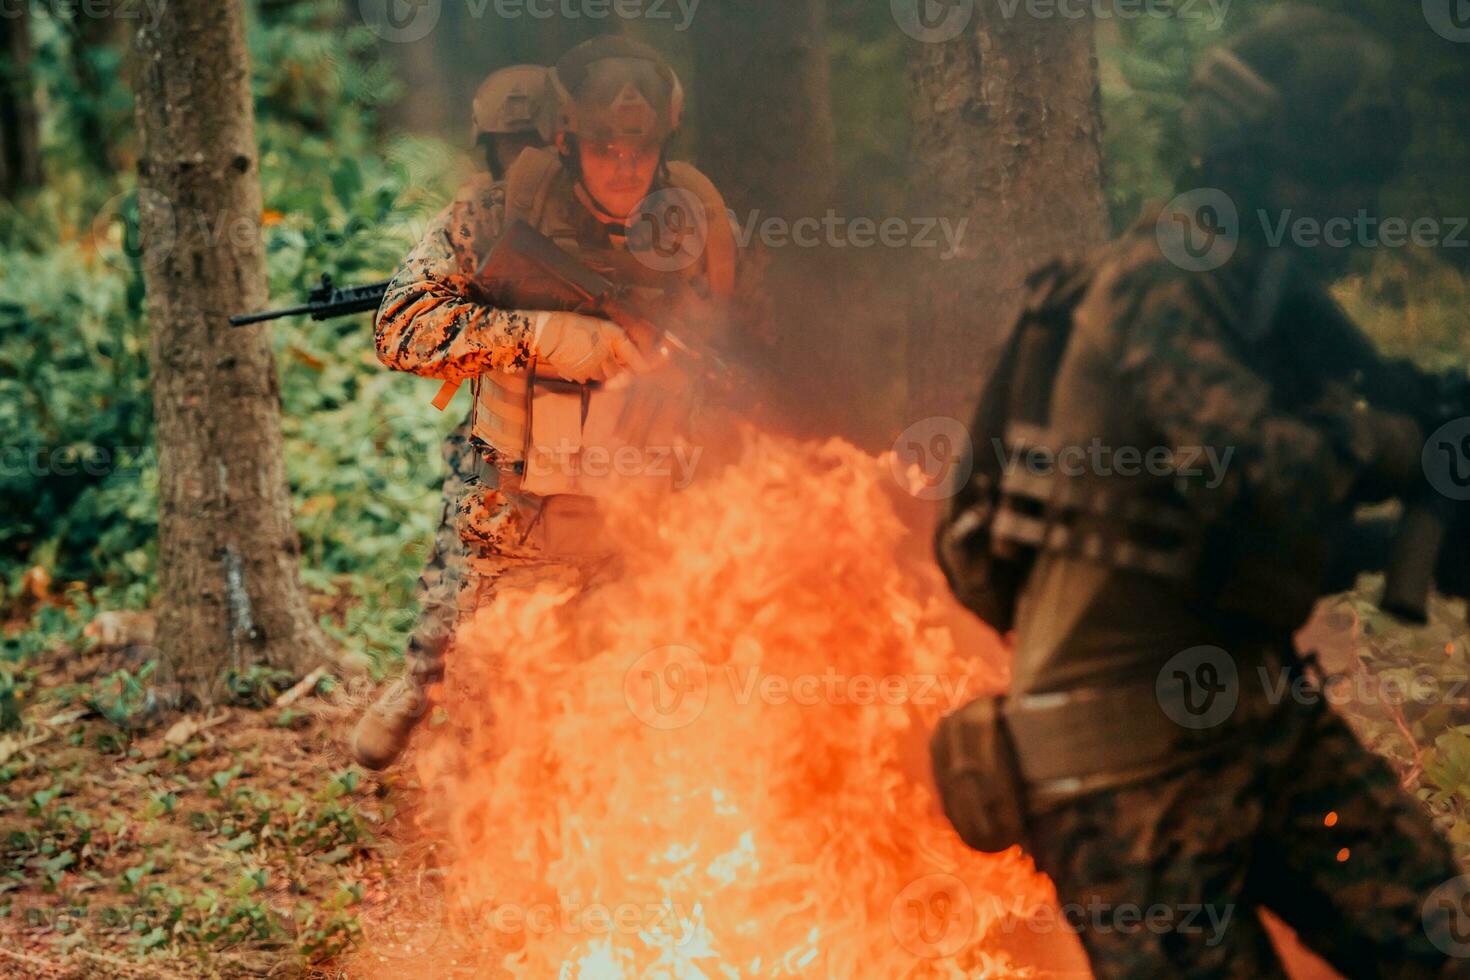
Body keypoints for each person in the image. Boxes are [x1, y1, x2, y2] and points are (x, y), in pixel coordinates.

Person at [932, 7, 1470, 975]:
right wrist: (1400, 441)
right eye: (1327, 185)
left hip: (1259, 723)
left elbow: (1242, 545)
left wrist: (1412, 538)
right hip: (1122, 776)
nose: (1356, 215)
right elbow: (1260, 472)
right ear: (1252, 168)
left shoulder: (1267, 307)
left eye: (1363, 189)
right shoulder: (1158, 286)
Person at [352, 37, 736, 770]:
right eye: (602, 145)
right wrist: (539, 336)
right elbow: (399, 330)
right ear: (566, 140)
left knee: (650, 751)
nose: (625, 164)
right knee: (486, 754)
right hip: (513, 530)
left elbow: (763, 365)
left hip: (642, 531)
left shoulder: (698, 226)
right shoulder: (495, 218)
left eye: (641, 146)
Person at [349, 63, 555, 770]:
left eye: (534, 139)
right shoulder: (478, 222)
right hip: (506, 450)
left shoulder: (617, 215)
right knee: (457, 564)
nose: (523, 155)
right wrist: (511, 329)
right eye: (510, 142)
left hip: (614, 467)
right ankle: (417, 682)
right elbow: (402, 327)